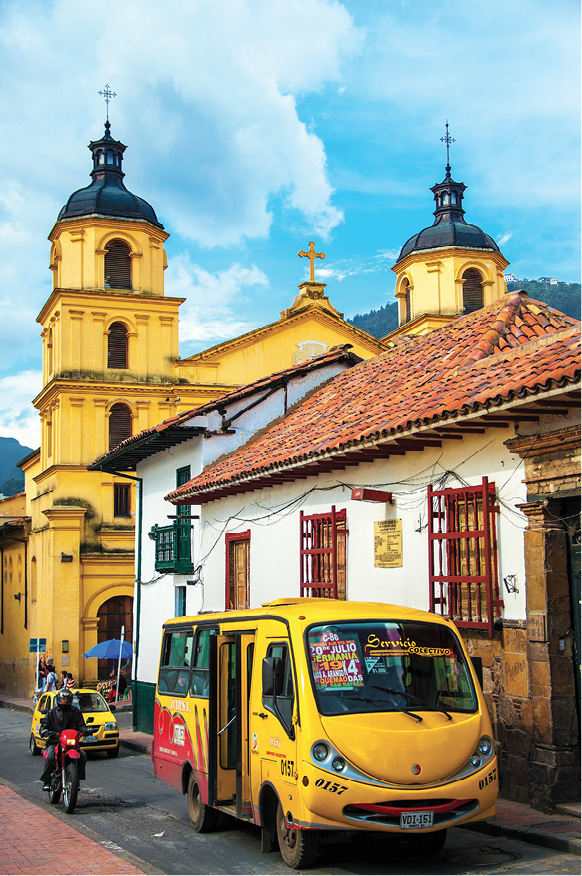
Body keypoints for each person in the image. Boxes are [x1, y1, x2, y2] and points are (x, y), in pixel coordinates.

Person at [40, 689, 88, 790]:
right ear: (59, 699)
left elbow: (82, 725)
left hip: (71, 743)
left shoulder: (76, 712)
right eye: (63, 699)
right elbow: (44, 725)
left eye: (67, 699)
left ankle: (77, 779)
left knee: (83, 755)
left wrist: (85, 730)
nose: (65, 701)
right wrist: (44, 731)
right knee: (49, 757)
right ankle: (46, 781)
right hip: (56, 741)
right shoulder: (52, 712)